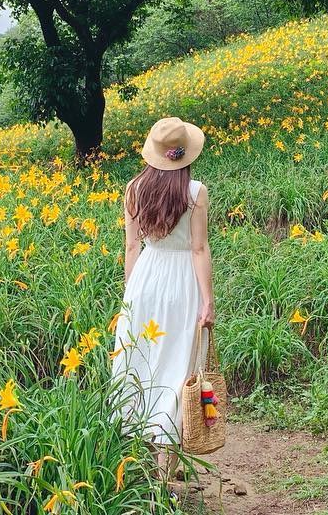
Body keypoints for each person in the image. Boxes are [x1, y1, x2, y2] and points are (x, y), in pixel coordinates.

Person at [111, 116, 215, 481]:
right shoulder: (195, 192)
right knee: (176, 372)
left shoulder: (133, 189)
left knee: (142, 365)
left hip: (145, 281)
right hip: (182, 284)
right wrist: (208, 301)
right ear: (185, 155)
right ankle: (163, 479)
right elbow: (199, 248)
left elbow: (131, 246)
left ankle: (138, 468)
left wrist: (130, 296)